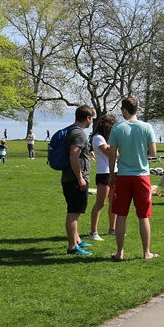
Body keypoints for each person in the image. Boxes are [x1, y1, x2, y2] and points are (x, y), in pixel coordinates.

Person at [107, 96, 158, 261]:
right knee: (143, 216)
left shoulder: (117, 128)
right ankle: (146, 252)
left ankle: (120, 252)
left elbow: (112, 154)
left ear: (124, 110)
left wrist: (111, 175)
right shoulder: (146, 127)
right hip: (142, 176)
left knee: (121, 215)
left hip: (123, 175)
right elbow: (153, 153)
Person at [62, 106, 95, 256]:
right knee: (73, 212)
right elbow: (73, 156)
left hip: (70, 177)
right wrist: (80, 178)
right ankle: (72, 247)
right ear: (87, 118)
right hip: (75, 179)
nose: (92, 121)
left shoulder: (71, 130)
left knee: (75, 211)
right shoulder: (79, 134)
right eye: (91, 118)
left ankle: (77, 240)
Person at [89, 114, 118, 242]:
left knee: (114, 202)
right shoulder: (98, 138)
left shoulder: (108, 139)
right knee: (100, 203)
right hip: (104, 173)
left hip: (115, 172)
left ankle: (112, 229)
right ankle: (93, 231)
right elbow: (112, 153)